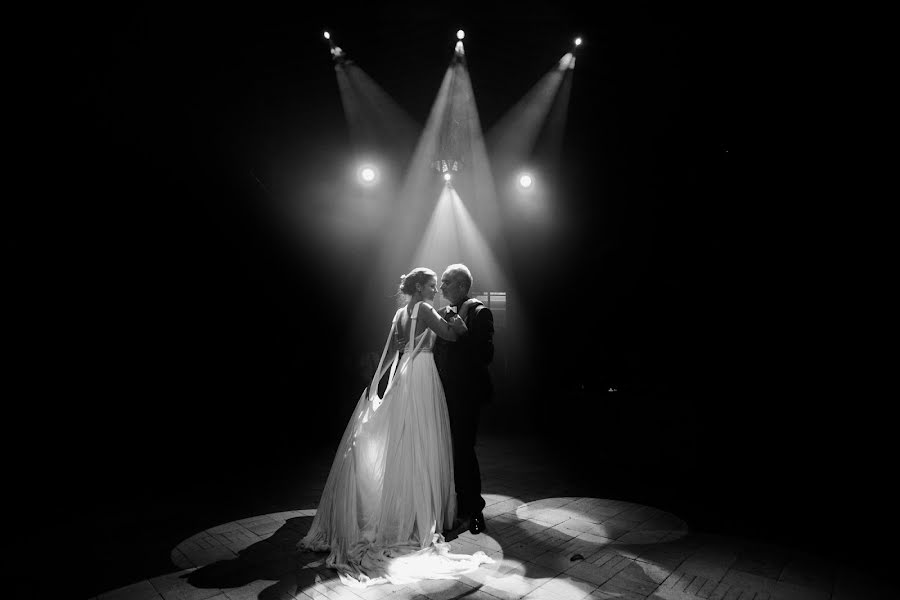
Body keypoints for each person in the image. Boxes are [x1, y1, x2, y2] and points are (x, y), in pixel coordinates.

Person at [297, 267, 493, 587]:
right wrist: (456, 324)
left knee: (404, 438)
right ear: (419, 286)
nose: (436, 289)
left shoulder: (400, 312)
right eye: (432, 285)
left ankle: (407, 506)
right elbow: (449, 335)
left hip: (404, 373)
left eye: (439, 284)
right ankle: (420, 510)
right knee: (425, 439)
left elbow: (390, 351)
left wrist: (377, 384)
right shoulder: (426, 309)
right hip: (423, 375)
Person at [434, 264, 494, 540]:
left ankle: (475, 510)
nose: (441, 287)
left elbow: (486, 355)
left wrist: (465, 333)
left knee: (464, 450)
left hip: (467, 395)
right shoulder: (441, 314)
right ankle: (456, 506)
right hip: (444, 393)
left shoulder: (480, 312)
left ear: (461, 286)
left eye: (446, 282)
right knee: (449, 450)